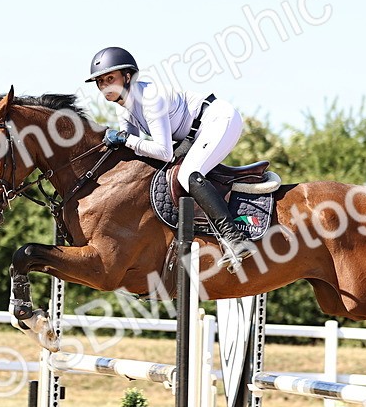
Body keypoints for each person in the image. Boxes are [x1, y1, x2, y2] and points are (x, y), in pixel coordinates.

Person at [86, 46, 252, 268]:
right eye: (101, 82)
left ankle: (235, 239)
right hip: (191, 136)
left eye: (110, 78)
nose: (105, 86)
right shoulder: (122, 108)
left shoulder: (150, 99)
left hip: (218, 120)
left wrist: (125, 138)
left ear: (127, 77)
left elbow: (163, 151)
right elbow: (132, 152)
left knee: (188, 175)